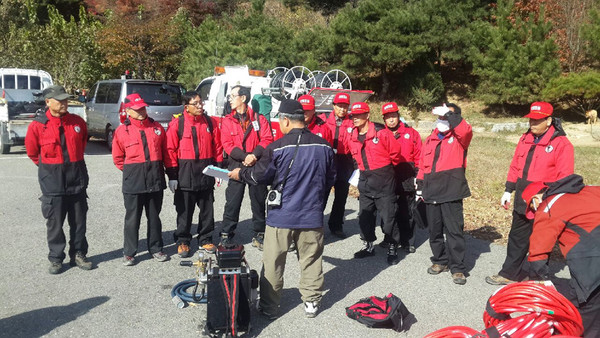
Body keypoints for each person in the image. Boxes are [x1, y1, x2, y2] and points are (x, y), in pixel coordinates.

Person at [228, 99, 335, 319]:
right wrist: (318, 206)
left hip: (281, 216)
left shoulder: (277, 147)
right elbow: (329, 179)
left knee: (274, 261)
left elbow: (259, 176)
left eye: (279, 120)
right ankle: (312, 302)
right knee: (311, 259)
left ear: (285, 120)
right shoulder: (324, 146)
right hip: (311, 216)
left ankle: (269, 306)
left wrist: (240, 174)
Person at [486, 101, 574, 285]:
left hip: (544, 199)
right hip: (523, 197)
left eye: (537, 120)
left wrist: (546, 195)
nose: (532, 123)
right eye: (530, 120)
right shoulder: (525, 138)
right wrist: (508, 190)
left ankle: (537, 278)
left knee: (541, 241)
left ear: (548, 120)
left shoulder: (561, 144)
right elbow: (515, 165)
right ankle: (510, 273)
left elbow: (565, 177)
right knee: (517, 237)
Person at [25, 85, 92, 274]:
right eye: (59, 100)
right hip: (52, 180)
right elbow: (32, 153)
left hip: (76, 177)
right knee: (55, 222)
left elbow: (83, 142)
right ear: (48, 102)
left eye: (65, 100)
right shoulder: (38, 126)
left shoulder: (77, 122)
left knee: (79, 221)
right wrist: (50, 169)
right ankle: (56, 258)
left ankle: (78, 253)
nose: (64, 103)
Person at [522, 174, 600, 337]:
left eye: (532, 207)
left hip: (593, 263)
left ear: (537, 198)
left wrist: (540, 288)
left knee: (586, 316)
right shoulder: (590, 190)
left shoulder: (548, 206)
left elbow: (537, 253)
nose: (534, 211)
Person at [417, 103, 472, 285]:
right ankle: (440, 260)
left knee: (454, 230)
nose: (442, 120)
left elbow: (465, 131)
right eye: (440, 117)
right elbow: (423, 163)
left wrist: (450, 114)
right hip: (431, 189)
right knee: (435, 230)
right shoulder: (431, 138)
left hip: (451, 190)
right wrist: (419, 185)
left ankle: (457, 268)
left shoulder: (459, 138)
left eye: (446, 117)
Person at [112, 93, 171, 266]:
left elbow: (165, 153)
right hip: (134, 181)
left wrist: (171, 174)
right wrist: (133, 172)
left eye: (143, 108)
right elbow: (118, 158)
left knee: (154, 216)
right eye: (137, 109)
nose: (141, 112)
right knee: (132, 218)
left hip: (155, 179)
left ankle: (156, 248)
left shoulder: (157, 128)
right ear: (128, 111)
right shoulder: (122, 131)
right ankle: (129, 252)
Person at [166, 91, 223, 258]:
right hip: (185, 173)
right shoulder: (178, 124)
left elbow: (217, 147)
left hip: (205, 172)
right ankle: (183, 240)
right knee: (184, 210)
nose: (200, 106)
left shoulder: (210, 122)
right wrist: (172, 176)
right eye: (195, 103)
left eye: (201, 102)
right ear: (186, 107)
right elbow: (169, 150)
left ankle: (205, 238)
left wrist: (219, 170)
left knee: (207, 209)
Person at [347, 102, 402, 265]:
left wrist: (384, 171)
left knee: (388, 217)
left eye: (358, 115)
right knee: (365, 217)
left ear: (367, 115)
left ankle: (392, 246)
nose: (355, 118)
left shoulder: (382, 133)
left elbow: (396, 155)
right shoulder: (353, 136)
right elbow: (354, 156)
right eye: (353, 116)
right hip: (365, 180)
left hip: (384, 180)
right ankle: (368, 246)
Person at [220, 85, 273, 249]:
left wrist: (254, 155)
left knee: (258, 200)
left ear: (243, 98)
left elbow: (267, 139)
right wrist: (245, 157)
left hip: (256, 164)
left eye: (232, 96)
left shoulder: (259, 119)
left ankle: (260, 233)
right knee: (233, 201)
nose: (229, 99)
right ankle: (226, 234)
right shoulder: (228, 120)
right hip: (237, 162)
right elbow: (227, 144)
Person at [380, 102, 422, 254]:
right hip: (386, 175)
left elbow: (419, 156)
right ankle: (390, 238)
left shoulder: (411, 133)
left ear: (398, 116)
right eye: (388, 117)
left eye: (394, 116)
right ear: (384, 119)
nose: (391, 120)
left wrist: (418, 176)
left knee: (406, 210)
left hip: (406, 174)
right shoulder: (379, 133)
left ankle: (407, 241)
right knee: (388, 209)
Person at [322, 92, 354, 238]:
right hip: (327, 159)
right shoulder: (322, 119)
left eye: (345, 107)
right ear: (333, 106)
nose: (342, 109)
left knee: (341, 196)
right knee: (321, 194)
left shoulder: (353, 122)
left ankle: (336, 225)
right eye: (339, 106)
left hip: (344, 160)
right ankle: (315, 225)